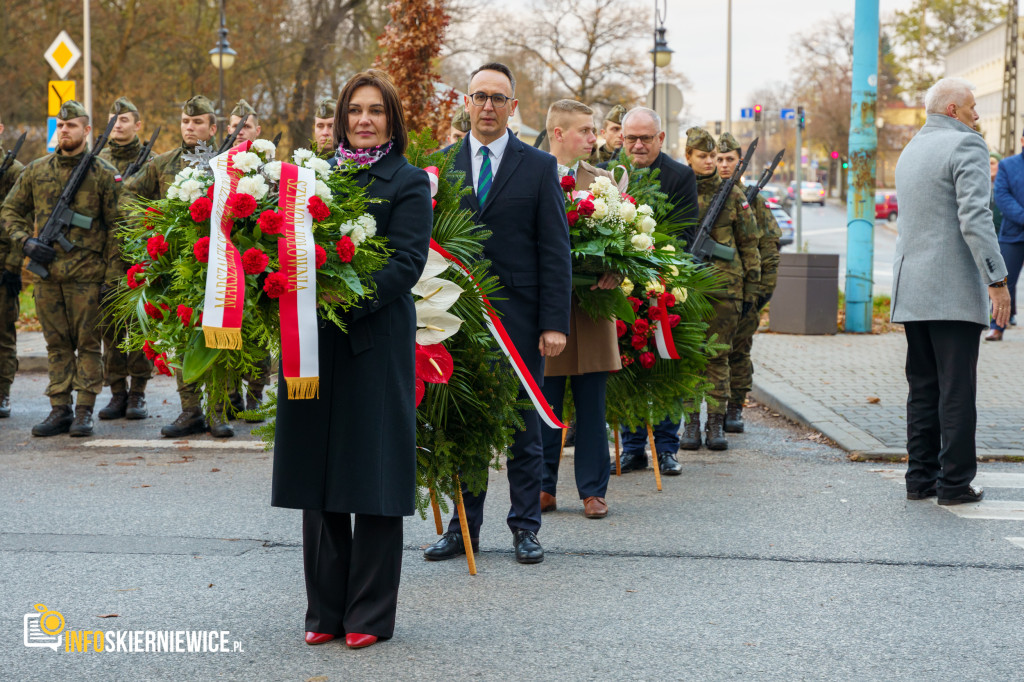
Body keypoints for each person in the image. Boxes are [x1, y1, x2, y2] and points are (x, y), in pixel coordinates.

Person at [272, 69, 432, 649]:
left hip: (373, 339)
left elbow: (406, 263)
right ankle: (324, 611)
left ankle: (367, 614)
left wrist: (341, 300)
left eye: (377, 111)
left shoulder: (409, 181)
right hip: (312, 342)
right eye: (355, 110)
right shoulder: (311, 178)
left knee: (373, 474)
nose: (365, 120)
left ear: (392, 120)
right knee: (320, 475)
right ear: (341, 119)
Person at [423, 62, 572, 564]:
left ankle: (525, 528)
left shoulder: (538, 167)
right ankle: (464, 528)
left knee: (523, 429)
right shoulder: (439, 167)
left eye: (498, 98)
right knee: (464, 423)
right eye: (479, 96)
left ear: (513, 107)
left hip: (523, 322)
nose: (488, 106)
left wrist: (555, 323)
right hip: (458, 319)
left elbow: (555, 249)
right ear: (466, 103)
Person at [892, 77, 1008, 505]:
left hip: (913, 289)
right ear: (954, 110)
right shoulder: (967, 145)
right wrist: (997, 280)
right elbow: (975, 218)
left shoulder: (912, 149)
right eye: (974, 107)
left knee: (923, 388)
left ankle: (919, 479)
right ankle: (955, 484)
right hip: (953, 291)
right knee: (956, 389)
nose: (979, 115)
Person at [1, 100, 122, 437]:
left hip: (88, 277)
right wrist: (25, 241)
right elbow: (9, 211)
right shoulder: (36, 170)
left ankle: (84, 410)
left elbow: (118, 228)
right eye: (60, 126)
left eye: (72, 125)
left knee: (87, 345)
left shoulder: (102, 173)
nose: (64, 130)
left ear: (86, 130)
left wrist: (112, 279)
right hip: (48, 277)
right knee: (55, 345)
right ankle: (59, 408)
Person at [124, 94, 234, 438]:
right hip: (178, 266)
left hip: (221, 264)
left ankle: (218, 412)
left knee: (220, 333)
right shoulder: (163, 164)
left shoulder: (229, 163)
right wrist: (148, 224)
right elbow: (127, 194)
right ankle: (191, 411)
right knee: (184, 335)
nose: (190, 127)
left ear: (212, 127)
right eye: (186, 122)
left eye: (198, 122)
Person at [540, 99, 626, 519]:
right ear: (559, 133)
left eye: (594, 131)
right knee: (545, 402)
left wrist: (612, 269)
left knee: (592, 405)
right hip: (548, 306)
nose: (595, 138)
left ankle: (593, 490)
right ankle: (542, 486)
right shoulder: (533, 172)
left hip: (592, 306)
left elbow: (622, 242)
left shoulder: (604, 181)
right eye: (586, 131)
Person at [615, 107, 698, 474]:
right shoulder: (611, 173)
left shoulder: (680, 176)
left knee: (665, 363)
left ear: (660, 139)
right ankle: (632, 446)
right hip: (621, 282)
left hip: (666, 282)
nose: (637, 145)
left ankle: (666, 447)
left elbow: (687, 231)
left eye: (645, 138)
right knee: (627, 364)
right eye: (630, 137)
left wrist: (657, 261)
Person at [676, 127, 759, 451]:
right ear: (689, 157)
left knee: (718, 357)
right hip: (688, 289)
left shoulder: (733, 193)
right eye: (703, 155)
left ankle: (715, 424)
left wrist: (752, 291)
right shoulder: (679, 189)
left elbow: (749, 243)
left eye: (713, 156)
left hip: (725, 289)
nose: (710, 161)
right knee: (689, 359)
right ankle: (691, 425)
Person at [716, 132, 781, 433]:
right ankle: (705, 417)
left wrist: (760, 294)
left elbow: (768, 249)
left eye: (730, 160)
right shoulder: (703, 195)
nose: (724, 165)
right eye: (719, 159)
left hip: (744, 292)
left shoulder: (752, 200)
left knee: (739, 353)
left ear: (739, 162)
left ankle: (734, 409)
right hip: (710, 291)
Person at [97, 96, 153, 421]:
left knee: (141, 325)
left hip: (141, 255)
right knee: (111, 327)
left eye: (125, 119)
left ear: (137, 124)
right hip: (105, 257)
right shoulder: (96, 160)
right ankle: (117, 392)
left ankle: (138, 394)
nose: (118, 124)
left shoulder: (153, 162)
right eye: (113, 119)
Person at [0, 111, 26, 419]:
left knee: (3, 334)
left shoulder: (14, 170)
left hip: (2, 263)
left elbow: (21, 221)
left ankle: (3, 392)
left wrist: (12, 266)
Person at [987, 137, 1024, 341]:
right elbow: (1002, 196)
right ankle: (997, 327)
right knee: (1004, 281)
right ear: (1021, 140)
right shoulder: (1008, 165)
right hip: (1013, 234)